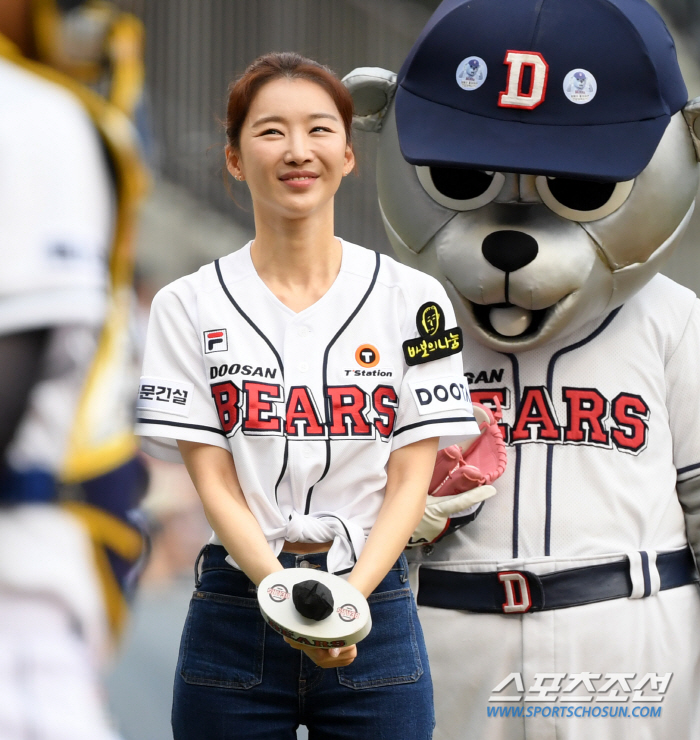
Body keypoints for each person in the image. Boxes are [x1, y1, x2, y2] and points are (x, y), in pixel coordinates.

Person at [135, 52, 479, 740]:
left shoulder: (417, 300)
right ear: (234, 158)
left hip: (371, 598)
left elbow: (413, 473)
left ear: (349, 155)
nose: (298, 151)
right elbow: (214, 480)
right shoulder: (187, 304)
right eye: (270, 132)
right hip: (237, 603)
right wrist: (288, 598)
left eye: (320, 130)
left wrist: (347, 598)